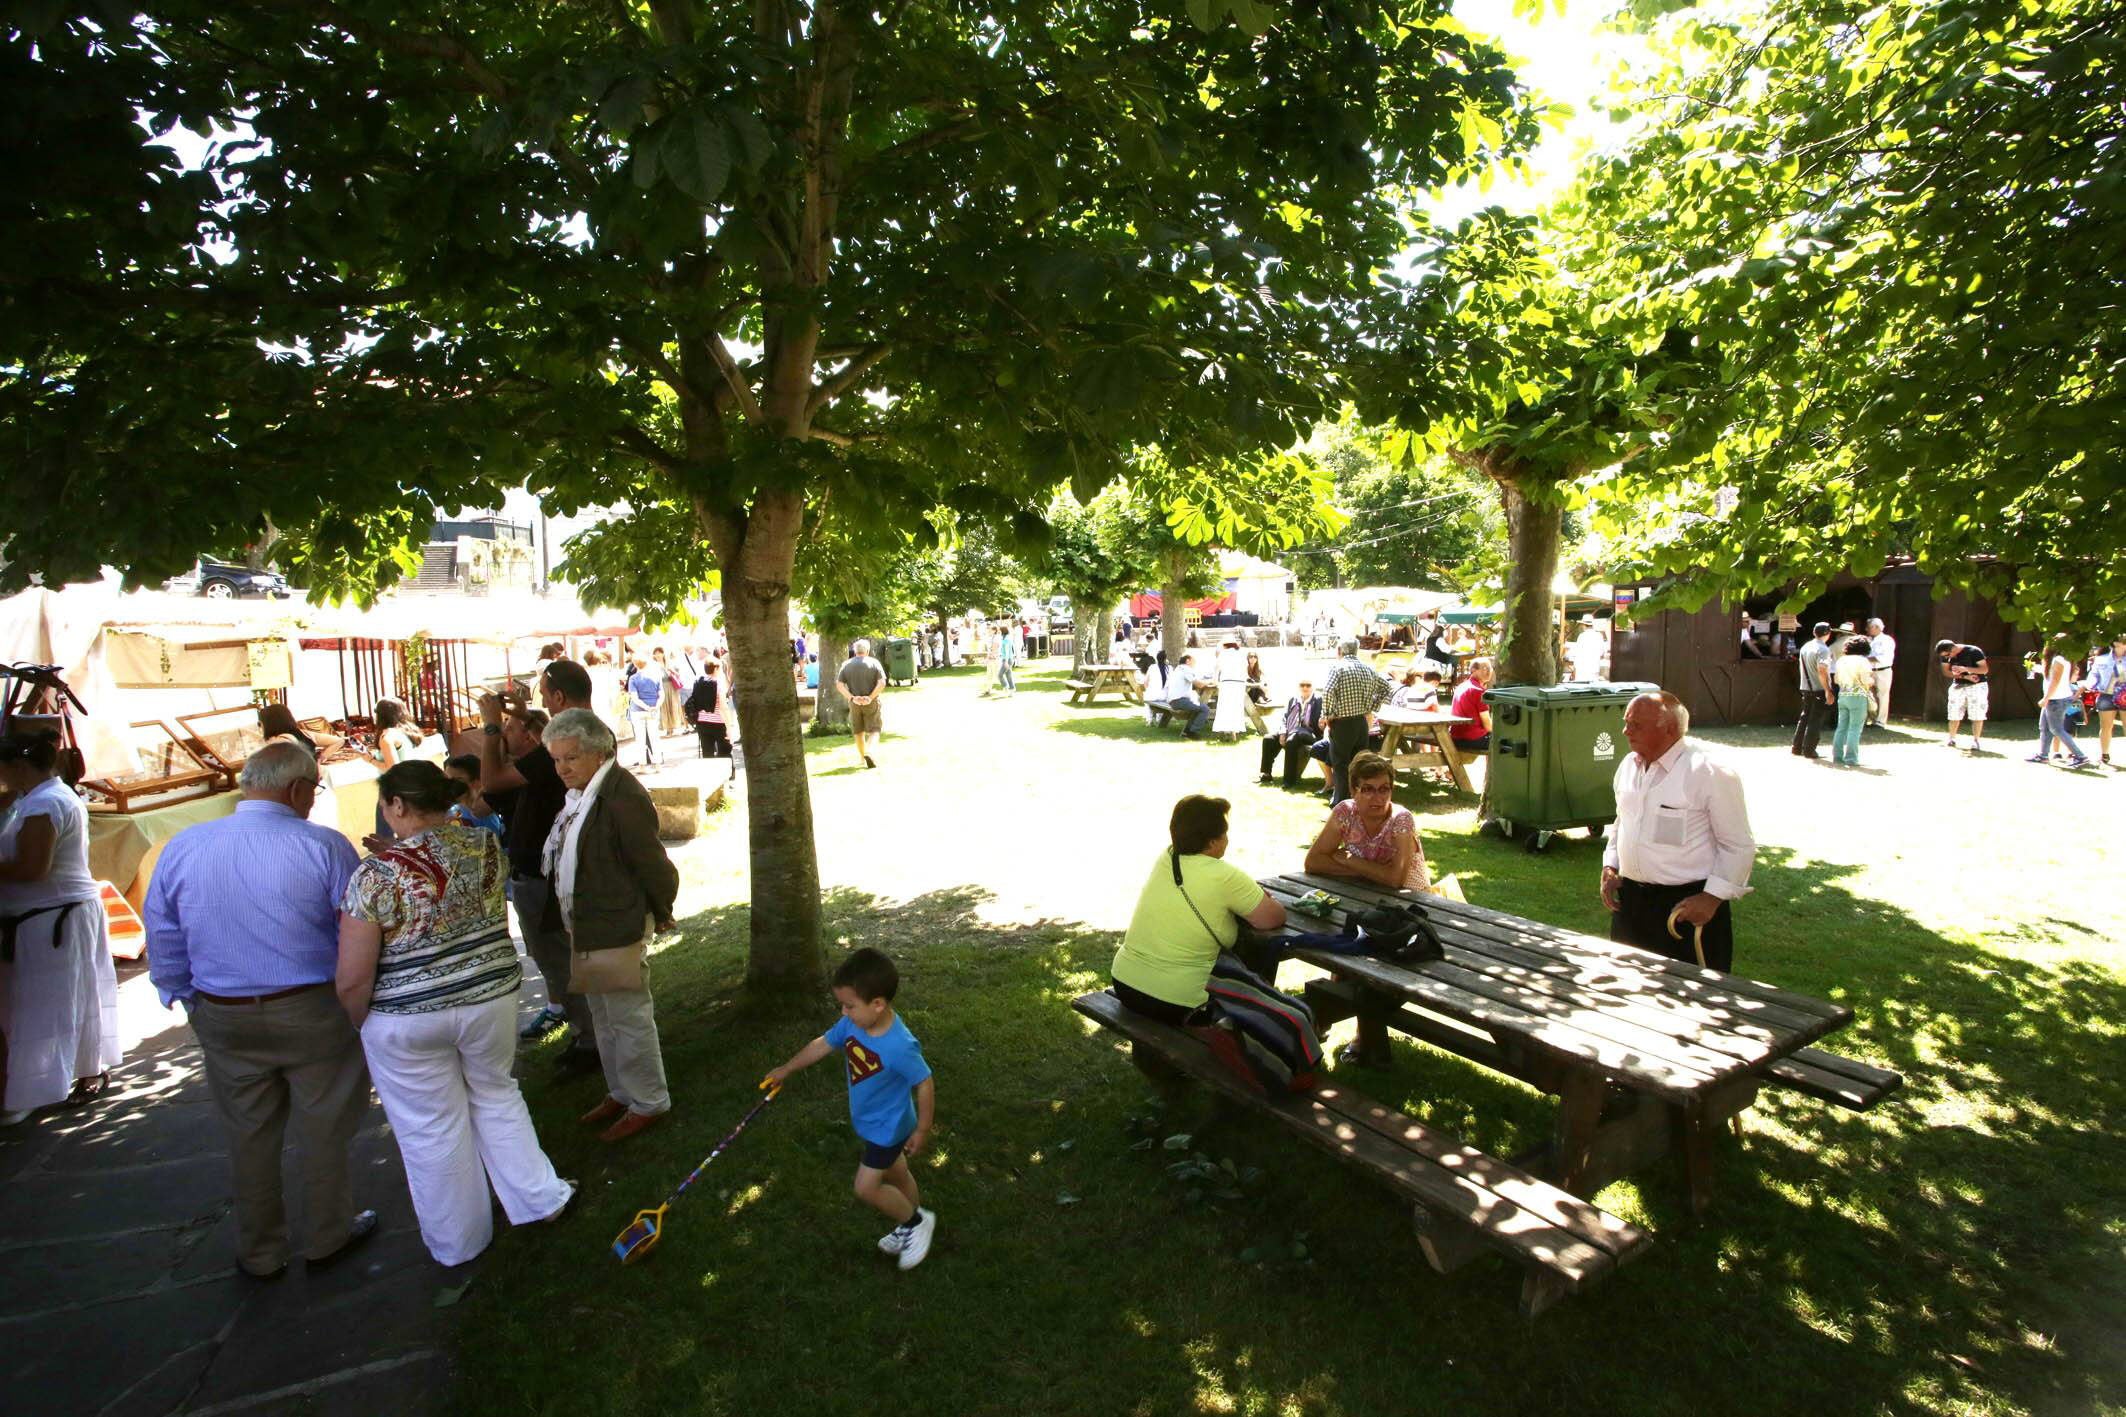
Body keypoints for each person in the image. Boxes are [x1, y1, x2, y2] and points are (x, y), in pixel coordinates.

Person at [142, 741, 375, 1278]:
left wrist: (183, 995)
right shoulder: (323, 845)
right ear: (296, 789)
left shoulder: (186, 845)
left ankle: (261, 1250)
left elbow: (164, 929)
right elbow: (356, 930)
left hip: (223, 1010)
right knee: (325, 1124)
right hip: (311, 1007)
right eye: (313, 790)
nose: (313, 800)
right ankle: (327, 1235)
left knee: (248, 1133)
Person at [336, 760, 577, 1265]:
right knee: (496, 1092)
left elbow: (354, 975)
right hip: (490, 998)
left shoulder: (373, 876)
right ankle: (541, 1198)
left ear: (398, 805)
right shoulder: (484, 844)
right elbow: (442, 869)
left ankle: (459, 1241)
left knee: (431, 1124)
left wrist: (360, 1022)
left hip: (408, 1017)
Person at [541, 709, 678, 1142]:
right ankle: (621, 1091)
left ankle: (649, 1100)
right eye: (557, 760)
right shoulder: (582, 795)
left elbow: (652, 863)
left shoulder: (619, 795)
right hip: (590, 924)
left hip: (616, 923)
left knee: (629, 1016)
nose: (562, 769)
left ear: (599, 754)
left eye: (571, 759)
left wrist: (662, 908)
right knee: (603, 1015)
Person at [765, 947, 938, 1271]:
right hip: (874, 1123)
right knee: (898, 1173)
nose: (844, 1013)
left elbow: (924, 1081)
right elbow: (822, 1044)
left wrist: (923, 1129)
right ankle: (910, 1223)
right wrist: (787, 1069)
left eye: (849, 1006)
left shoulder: (899, 1046)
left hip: (890, 1127)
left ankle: (915, 1223)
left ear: (877, 1004)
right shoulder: (853, 1025)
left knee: (866, 1186)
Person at [476, 662, 601, 1067]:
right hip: (551, 866)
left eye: (546, 696)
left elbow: (491, 785)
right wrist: (516, 716)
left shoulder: (565, 744)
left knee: (558, 960)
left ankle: (590, 1042)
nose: (541, 703)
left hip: (547, 872)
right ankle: (589, 1037)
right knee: (560, 959)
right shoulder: (584, 733)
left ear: (559, 697)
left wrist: (492, 726)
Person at [0, 735, 122, 1126]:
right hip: (50, 914)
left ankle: (35, 1088)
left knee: (41, 1005)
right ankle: (70, 1072)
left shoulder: (45, 803)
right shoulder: (34, 797)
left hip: (51, 916)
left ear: (17, 767)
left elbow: (32, 869)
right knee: (59, 1000)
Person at [1600, 692, 1754, 973]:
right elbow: (1623, 820)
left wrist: (1711, 899)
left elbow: (1738, 845)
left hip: (1684, 908)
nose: (1625, 731)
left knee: (1693, 1000)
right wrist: (1611, 865)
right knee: (1625, 989)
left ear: (1669, 729)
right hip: (1632, 904)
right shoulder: (1628, 766)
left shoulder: (1708, 772)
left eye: (1636, 725)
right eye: (1626, 722)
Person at [1304, 750, 1432, 892]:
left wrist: (1349, 860)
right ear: (1353, 790)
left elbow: (1395, 879)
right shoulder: (1345, 812)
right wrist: (1374, 873)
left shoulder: (1401, 819)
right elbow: (1313, 862)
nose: (1377, 798)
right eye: (1368, 789)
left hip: (1414, 900)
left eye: (1384, 789)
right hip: (1367, 893)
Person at [1320, 638, 1391, 804]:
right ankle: (1359, 801)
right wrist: (1371, 707)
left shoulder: (1337, 668)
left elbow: (1328, 691)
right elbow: (1387, 688)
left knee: (1340, 764)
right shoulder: (1367, 668)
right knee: (1359, 764)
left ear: (1340, 650)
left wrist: (1328, 715)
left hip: (1343, 723)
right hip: (1361, 722)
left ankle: (1340, 803)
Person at [2031, 635, 2095, 769]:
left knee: (2056, 729)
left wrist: (2046, 698)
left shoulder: (2059, 660)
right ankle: (2043, 755)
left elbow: (2055, 681)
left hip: (2056, 699)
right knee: (2044, 727)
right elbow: (2051, 676)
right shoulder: (2059, 659)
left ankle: (2080, 756)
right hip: (2055, 698)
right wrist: (2035, 668)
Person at [1260, 678, 1325, 789]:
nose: (1305, 688)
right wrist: (1282, 732)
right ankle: (1266, 773)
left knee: (1291, 740)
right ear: (1299, 687)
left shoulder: (1319, 700)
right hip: (1292, 731)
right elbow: (1284, 718)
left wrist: (1322, 723)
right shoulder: (1293, 699)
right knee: (1268, 738)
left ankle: (1288, 781)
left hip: (1311, 733)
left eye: (1308, 685)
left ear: (1312, 687)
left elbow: (1324, 717)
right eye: (1302, 685)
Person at [838, 638, 887, 769]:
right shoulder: (874, 663)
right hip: (871, 702)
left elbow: (839, 685)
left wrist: (852, 698)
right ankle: (869, 752)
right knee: (875, 729)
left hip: (854, 702)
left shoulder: (846, 664)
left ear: (855, 651)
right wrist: (871, 697)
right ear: (867, 650)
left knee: (858, 730)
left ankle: (861, 757)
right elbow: (882, 682)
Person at [1934, 638, 1991, 753]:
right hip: (1958, 685)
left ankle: (1976, 741)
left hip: (1977, 686)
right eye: (1944, 656)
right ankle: (1951, 738)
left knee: (1977, 714)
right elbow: (1946, 672)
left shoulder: (1973, 651)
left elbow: (1984, 669)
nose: (1947, 658)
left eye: (1948, 655)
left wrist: (1965, 669)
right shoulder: (1946, 655)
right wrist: (1963, 676)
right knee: (1953, 713)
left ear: (1953, 649)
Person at [1830, 635, 1876, 766]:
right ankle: (1851, 758)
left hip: (1843, 695)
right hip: (1858, 696)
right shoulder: (1863, 662)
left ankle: (1837, 757)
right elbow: (1866, 680)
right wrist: (1872, 681)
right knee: (1855, 728)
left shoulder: (1841, 661)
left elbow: (1836, 680)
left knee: (1841, 727)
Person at [1791, 623, 1835, 759]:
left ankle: (1797, 747)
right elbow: (1822, 670)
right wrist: (1828, 690)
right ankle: (1809, 750)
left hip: (1805, 687)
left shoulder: (1806, 646)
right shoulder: (1823, 649)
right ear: (1828, 634)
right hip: (1818, 688)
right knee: (1815, 720)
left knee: (1804, 717)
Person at [2084, 635, 2126, 766]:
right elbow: (2093, 675)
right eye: (2120, 643)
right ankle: (2104, 755)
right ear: (2114, 643)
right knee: (2106, 726)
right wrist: (2088, 685)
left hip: (2125, 695)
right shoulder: (2101, 659)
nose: (2123, 645)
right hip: (2106, 695)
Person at [443, 755, 507, 837]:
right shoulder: (450, 812)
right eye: (448, 780)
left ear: (477, 782)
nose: (450, 786)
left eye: (457, 780)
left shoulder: (486, 816)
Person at [258, 703, 343, 759]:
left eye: (260, 723)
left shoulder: (277, 741)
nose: (261, 726)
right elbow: (339, 741)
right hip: (311, 775)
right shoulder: (305, 734)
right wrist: (320, 759)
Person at [1448, 657, 1494, 756]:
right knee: (1507, 743)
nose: (1489, 671)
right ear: (1473, 670)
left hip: (1455, 737)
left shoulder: (1461, 687)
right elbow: (1487, 724)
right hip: (1472, 739)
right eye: (1485, 668)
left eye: (1490, 668)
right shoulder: (1478, 690)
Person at [624, 654, 662, 768]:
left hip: (637, 711)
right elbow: (661, 694)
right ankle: (657, 763)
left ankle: (642, 764)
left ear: (635, 664)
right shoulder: (656, 676)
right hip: (653, 709)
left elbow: (634, 697)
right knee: (654, 736)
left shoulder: (633, 678)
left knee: (640, 739)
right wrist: (655, 706)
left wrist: (645, 707)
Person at [684, 663, 729, 758]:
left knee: (707, 753)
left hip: (702, 722)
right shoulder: (718, 684)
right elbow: (723, 707)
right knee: (724, 752)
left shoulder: (698, 683)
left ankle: (711, 772)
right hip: (718, 722)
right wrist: (729, 725)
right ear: (716, 669)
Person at [1164, 653, 1212, 739]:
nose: (1195, 664)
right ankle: (1192, 733)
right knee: (1204, 709)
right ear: (1188, 660)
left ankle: (1187, 732)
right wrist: (1209, 682)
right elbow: (1199, 685)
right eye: (1194, 661)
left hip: (1173, 700)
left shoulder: (1178, 669)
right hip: (1179, 700)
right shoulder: (1186, 669)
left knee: (1196, 708)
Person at [1210, 640, 1251, 738]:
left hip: (1227, 682)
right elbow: (1245, 670)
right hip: (1239, 683)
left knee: (1225, 707)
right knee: (1236, 708)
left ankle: (1225, 731)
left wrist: (1215, 681)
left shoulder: (1224, 653)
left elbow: (1217, 668)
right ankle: (1234, 732)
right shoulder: (1241, 654)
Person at [371, 697, 424, 769]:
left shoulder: (387, 736)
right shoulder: (407, 730)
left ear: (381, 716)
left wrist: (369, 760)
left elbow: (392, 769)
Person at [1867, 618, 1897, 724]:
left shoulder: (1886, 640)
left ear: (1877, 627)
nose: (1867, 629)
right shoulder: (1870, 640)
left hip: (1883, 670)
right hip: (1870, 670)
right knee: (1870, 695)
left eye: (1869, 627)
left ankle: (1880, 721)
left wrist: (1864, 658)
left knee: (1883, 695)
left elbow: (1881, 657)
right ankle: (1872, 718)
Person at [655, 648, 687, 739]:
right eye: (656, 653)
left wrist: (671, 671)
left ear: (663, 654)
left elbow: (678, 674)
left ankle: (673, 727)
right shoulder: (654, 665)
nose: (658, 655)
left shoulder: (669, 663)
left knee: (673, 705)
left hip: (672, 686)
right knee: (664, 707)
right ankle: (668, 729)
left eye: (659, 653)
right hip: (661, 687)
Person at [1241, 651, 1273, 734]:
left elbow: (1266, 679)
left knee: (1261, 682)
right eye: (1251, 657)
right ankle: (1261, 699)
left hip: (1256, 692)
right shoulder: (1245, 668)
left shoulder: (1258, 669)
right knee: (1255, 682)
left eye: (1255, 657)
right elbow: (1245, 682)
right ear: (1247, 658)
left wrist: (1262, 684)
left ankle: (1261, 699)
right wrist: (1258, 685)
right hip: (1248, 694)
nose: (1253, 658)